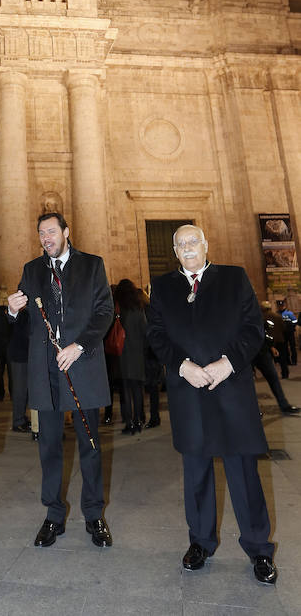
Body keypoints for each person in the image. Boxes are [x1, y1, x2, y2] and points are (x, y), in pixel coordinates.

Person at [147, 224, 278, 585]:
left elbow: (252, 328)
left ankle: (259, 549)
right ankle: (200, 543)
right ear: (174, 252)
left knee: (244, 475)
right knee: (197, 474)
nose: (187, 248)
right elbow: (155, 333)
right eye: (180, 244)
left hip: (231, 388)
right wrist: (182, 366)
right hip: (188, 390)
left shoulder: (234, 278)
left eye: (193, 241)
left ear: (206, 244)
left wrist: (227, 363)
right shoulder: (162, 286)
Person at [8, 212, 114, 549]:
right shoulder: (31, 270)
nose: (46, 238)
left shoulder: (92, 265)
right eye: (41, 233)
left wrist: (79, 345)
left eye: (52, 231)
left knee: (90, 447)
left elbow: (104, 312)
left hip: (82, 365)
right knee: (49, 447)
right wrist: (11, 311)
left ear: (66, 232)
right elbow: (23, 324)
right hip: (46, 371)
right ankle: (53, 515)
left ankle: (94, 514)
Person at [253, 304, 300, 415]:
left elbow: (264, 332)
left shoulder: (259, 315)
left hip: (262, 351)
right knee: (251, 381)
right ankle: (255, 409)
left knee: (273, 378)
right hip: (250, 352)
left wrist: (271, 347)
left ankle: (284, 405)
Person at [114, 279, 147, 435]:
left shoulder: (118, 308)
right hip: (137, 353)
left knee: (125, 390)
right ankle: (139, 420)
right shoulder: (138, 308)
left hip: (121, 354)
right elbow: (145, 330)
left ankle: (129, 423)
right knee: (137, 389)